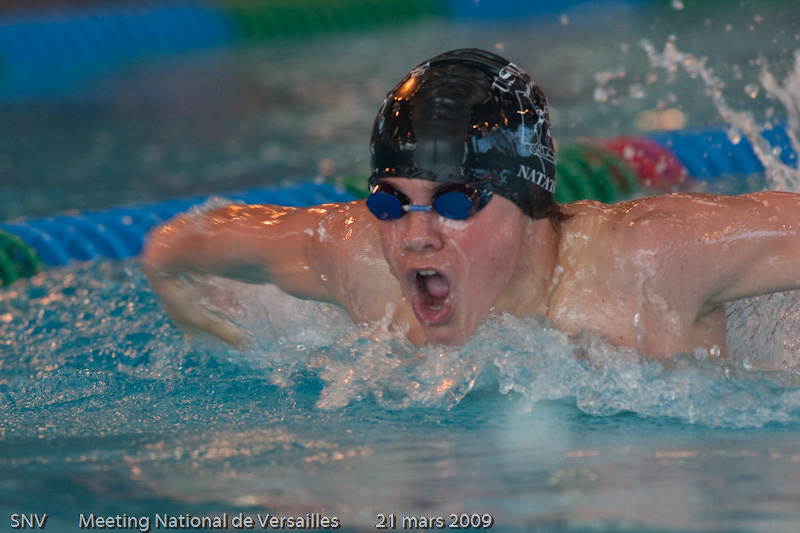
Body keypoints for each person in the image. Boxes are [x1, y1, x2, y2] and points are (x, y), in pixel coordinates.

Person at [142, 48, 800, 358]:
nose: (415, 237)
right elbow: (181, 243)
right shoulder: (357, 259)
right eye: (391, 203)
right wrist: (174, 286)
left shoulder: (652, 260)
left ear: (528, 199)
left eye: (455, 203)